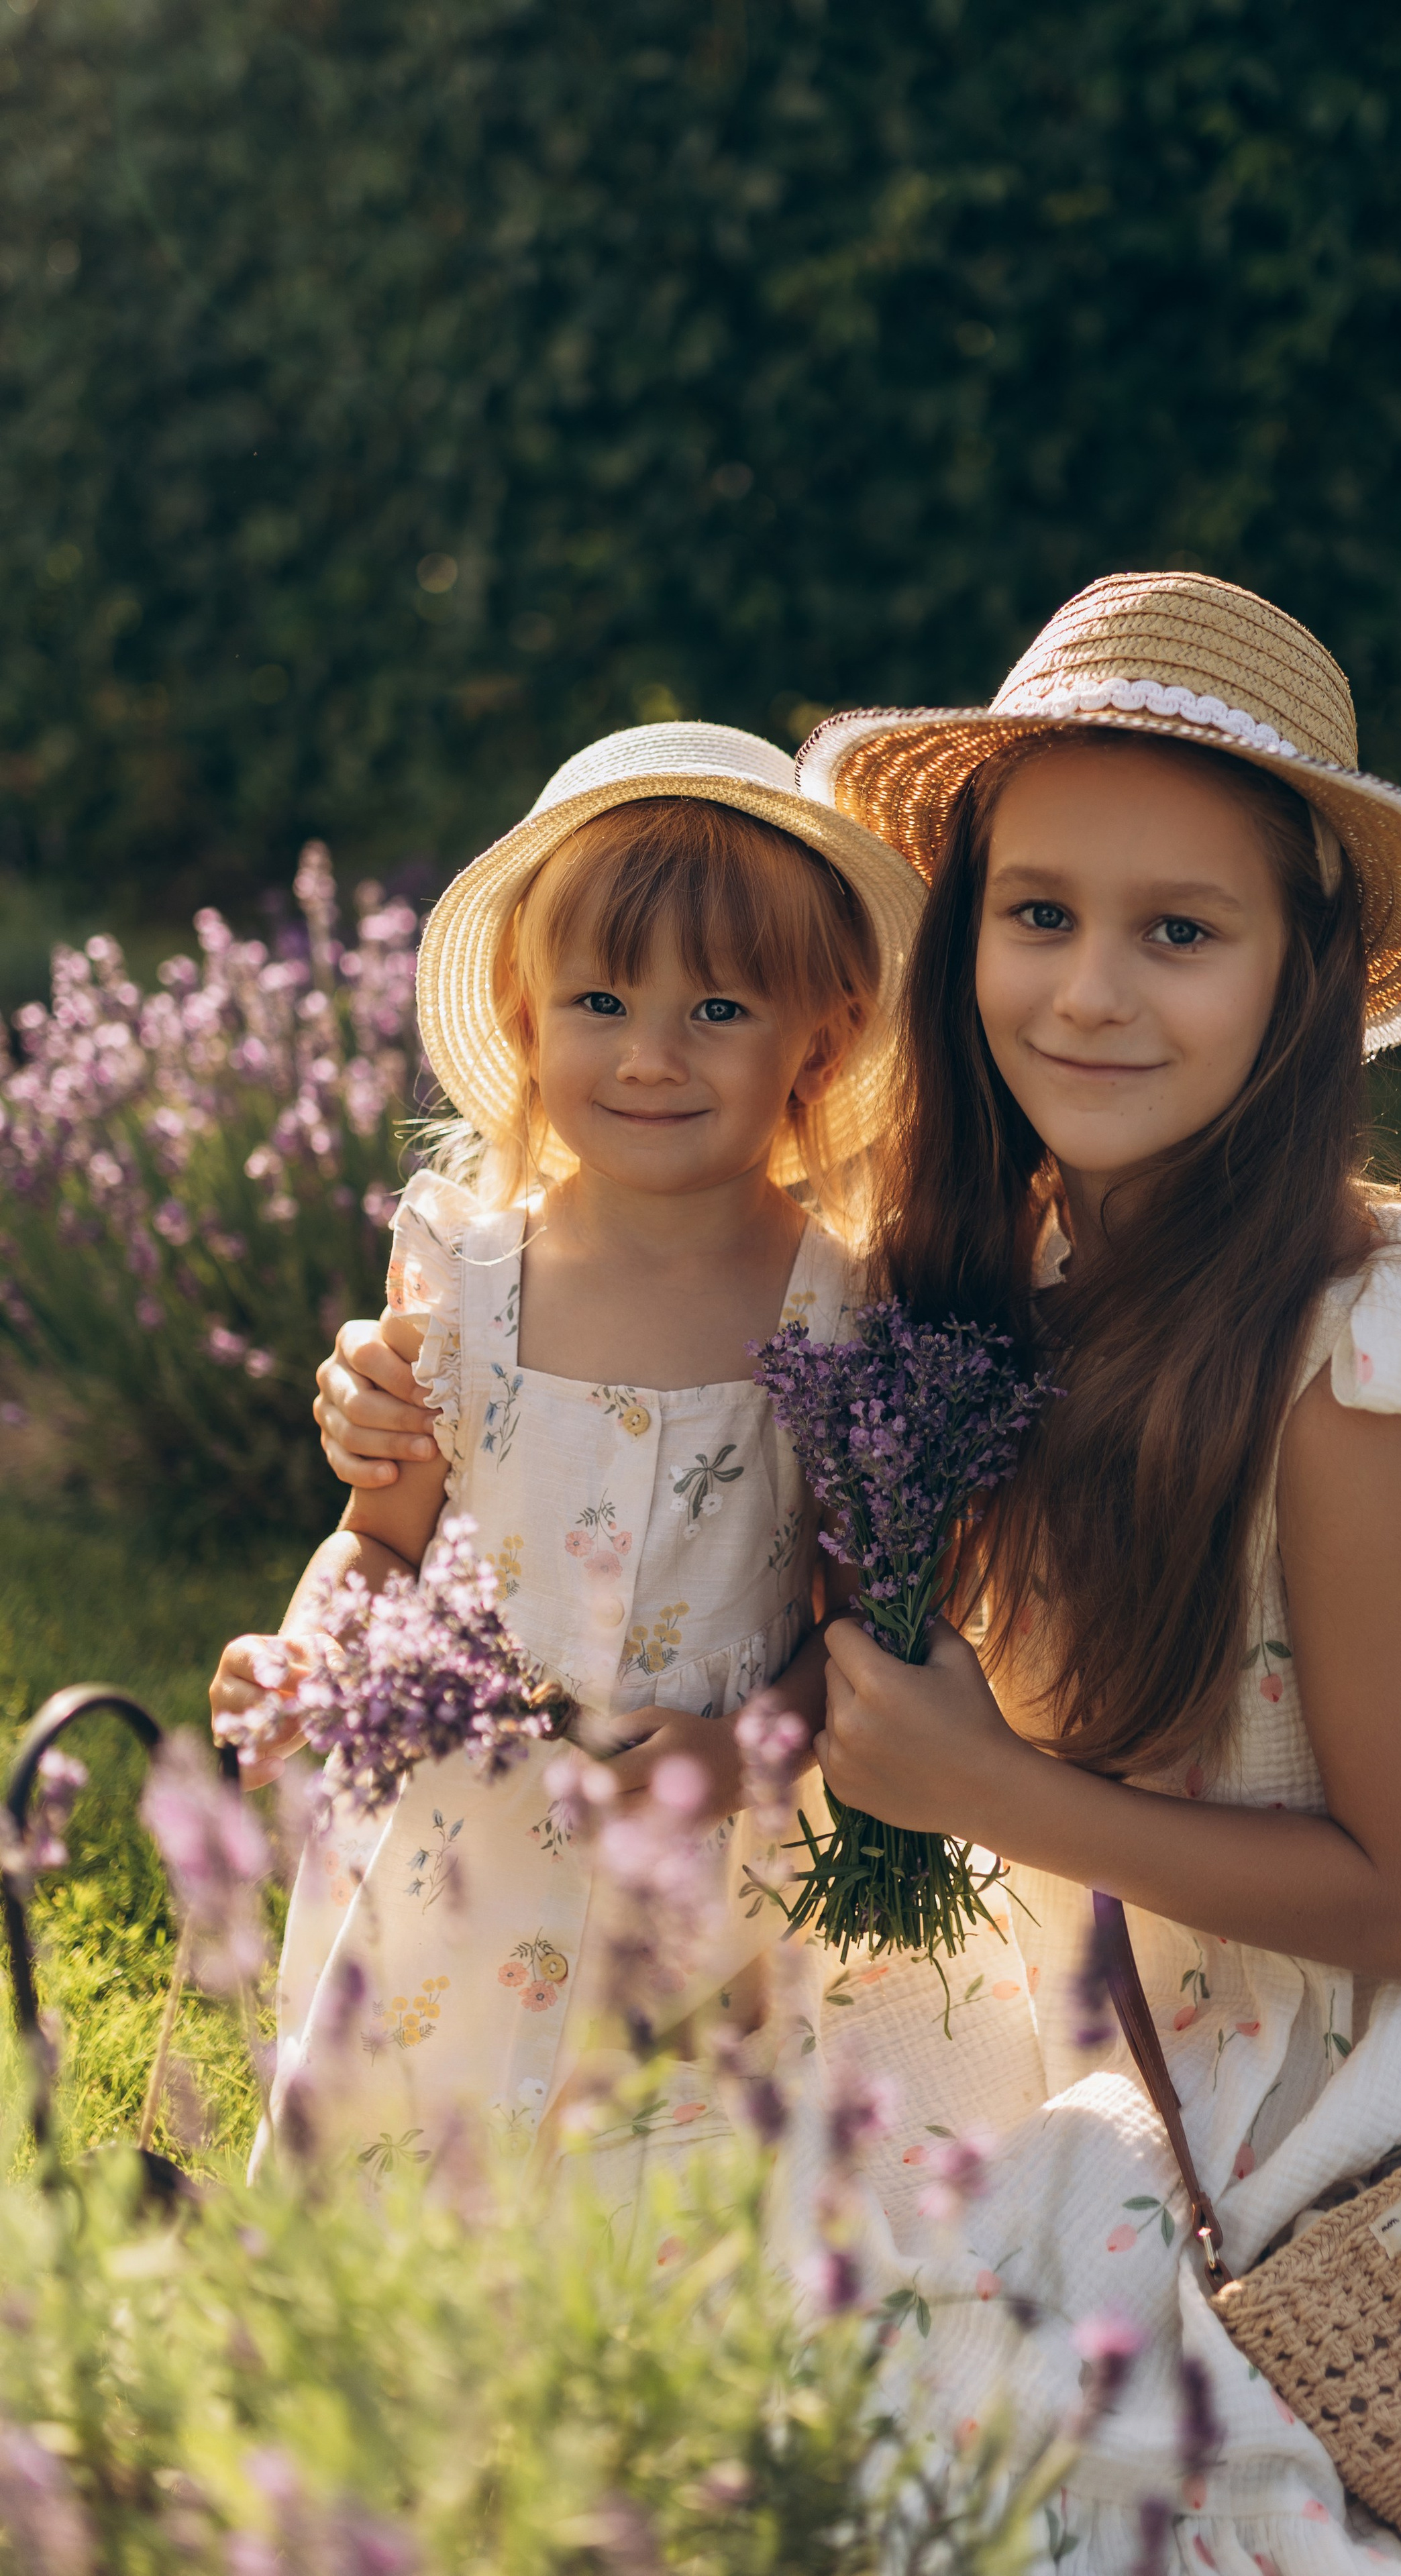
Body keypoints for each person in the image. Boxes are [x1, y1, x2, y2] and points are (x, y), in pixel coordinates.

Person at [315, 580, 1401, 2572]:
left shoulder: (1353, 1352)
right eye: (1039, 913)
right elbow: (667, 1342)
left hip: (1326, 2111)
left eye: (1181, 933)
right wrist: (399, 1390)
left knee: (880, 2428)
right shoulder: (1025, 1254)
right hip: (1113, 1991)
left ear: (1302, 973)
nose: (1089, 993)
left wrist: (990, 1797)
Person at [209, 720, 923, 2171]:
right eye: (599, 1001)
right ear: (529, 1023)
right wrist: (307, 1654)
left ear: (820, 1038)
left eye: (718, 1011)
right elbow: (378, 1542)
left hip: (699, 1856)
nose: (650, 1055)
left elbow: (856, 1625)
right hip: (455, 1843)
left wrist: (739, 1749)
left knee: (658, 2200)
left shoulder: (836, 1308)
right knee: (401, 2170)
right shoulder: (465, 1284)